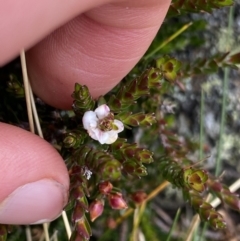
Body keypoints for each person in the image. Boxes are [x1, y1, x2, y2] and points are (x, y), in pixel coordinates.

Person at [0, 0, 171, 224]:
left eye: (108, 124)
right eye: (106, 123)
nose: (107, 124)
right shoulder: (94, 120)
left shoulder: (103, 129)